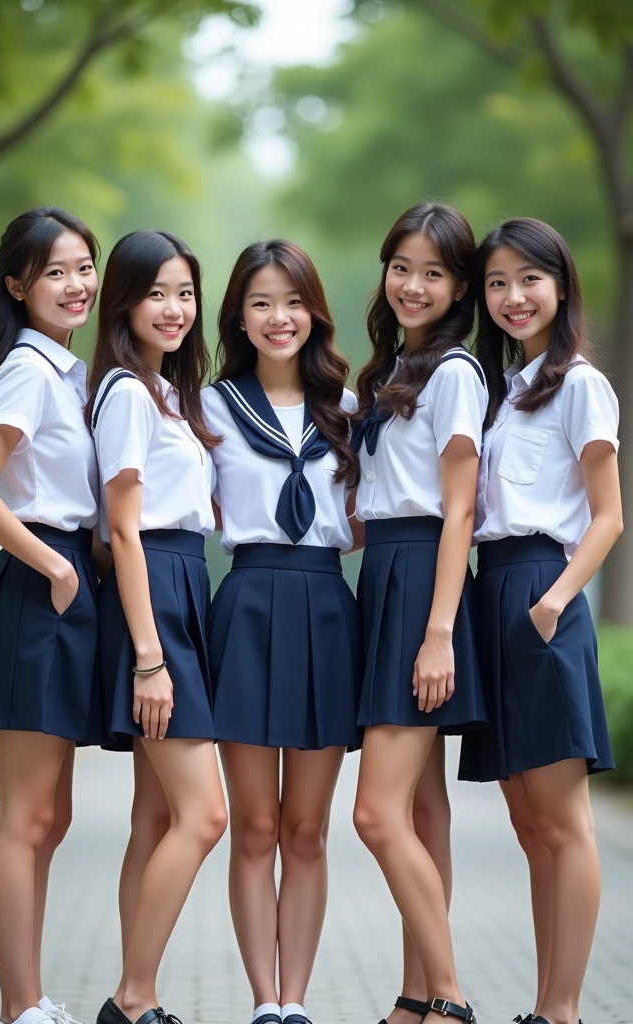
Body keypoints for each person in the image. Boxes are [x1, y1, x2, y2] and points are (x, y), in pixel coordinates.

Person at [459, 218, 622, 1024]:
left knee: (563, 821)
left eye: (529, 280)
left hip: (542, 591)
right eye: (497, 283)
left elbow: (609, 517)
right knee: (528, 823)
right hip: (495, 593)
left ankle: (561, 1011)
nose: (513, 297)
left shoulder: (579, 384)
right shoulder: (505, 391)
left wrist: (554, 602)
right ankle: (545, 1004)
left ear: (561, 286)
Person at [0, 206, 103, 1024]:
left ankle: (30, 997)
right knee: (23, 815)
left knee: (52, 814)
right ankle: (19, 1006)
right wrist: (52, 565)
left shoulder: (72, 374)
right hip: (41, 589)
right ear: (17, 285)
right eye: (54, 272)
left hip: (66, 588)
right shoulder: (29, 371)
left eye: (83, 267)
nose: (75, 285)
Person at [202, 239, 361, 1024]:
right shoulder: (209, 407)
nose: (279, 317)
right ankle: (262, 1001)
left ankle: (296, 999)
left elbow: (365, 521)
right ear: (239, 314)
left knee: (306, 828)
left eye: (293, 301)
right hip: (248, 605)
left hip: (326, 606)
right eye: (261, 302)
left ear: (314, 311)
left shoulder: (350, 409)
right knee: (255, 824)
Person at [86, 230, 228, 1024]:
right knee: (204, 814)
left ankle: (137, 1000)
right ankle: (131, 997)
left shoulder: (166, 392)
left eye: (185, 293)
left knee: (156, 815)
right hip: (155, 603)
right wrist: (149, 656)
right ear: (125, 303)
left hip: (181, 589)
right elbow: (124, 528)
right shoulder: (127, 395)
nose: (174, 309)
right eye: (156, 294)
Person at [351, 202, 486, 1024]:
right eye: (403, 266)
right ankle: (416, 995)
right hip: (385, 577)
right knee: (418, 809)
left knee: (373, 813)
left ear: (459, 287)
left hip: (423, 582)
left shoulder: (456, 374)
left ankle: (452, 996)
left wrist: (438, 633)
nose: (413, 283)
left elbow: (459, 512)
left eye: (434, 272)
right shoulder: (387, 373)